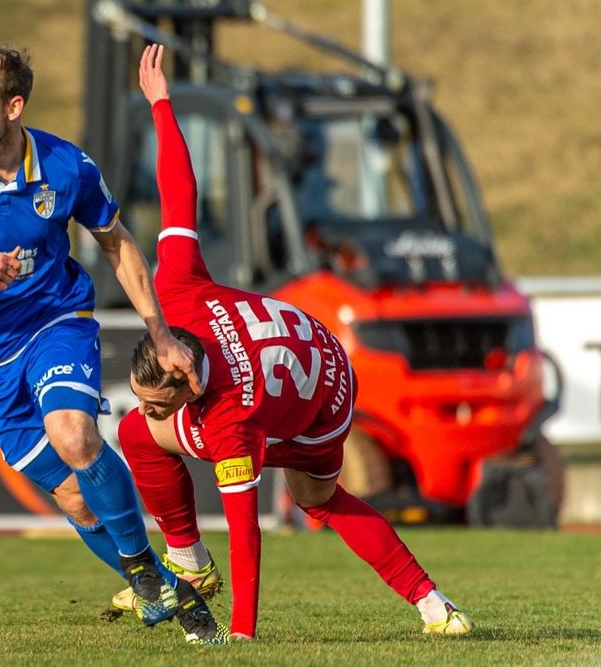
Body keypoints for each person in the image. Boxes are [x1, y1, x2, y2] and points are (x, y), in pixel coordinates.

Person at [116, 43, 476, 642]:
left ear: (191, 380)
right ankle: (438, 608)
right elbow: (180, 193)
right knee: (140, 431)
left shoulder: (230, 416)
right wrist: (161, 105)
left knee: (316, 499)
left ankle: (189, 563)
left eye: (160, 400)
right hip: (314, 351)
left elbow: (246, 529)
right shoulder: (174, 287)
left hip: (320, 403)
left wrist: (243, 633)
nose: (151, 408)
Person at [0, 44, 220, 640]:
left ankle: (149, 570)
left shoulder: (66, 165)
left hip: (54, 322)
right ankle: (167, 588)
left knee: (74, 434)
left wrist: (159, 332)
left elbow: (117, 241)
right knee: (75, 499)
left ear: (13, 106)